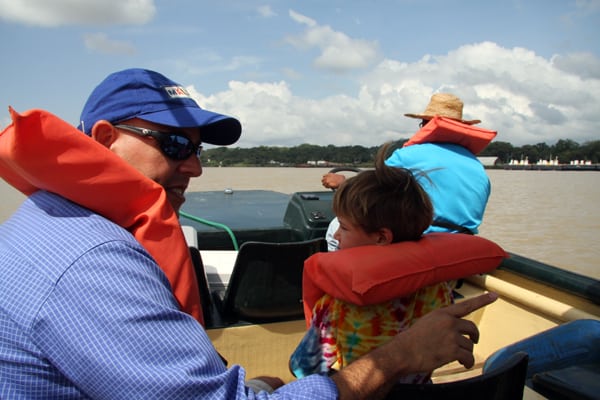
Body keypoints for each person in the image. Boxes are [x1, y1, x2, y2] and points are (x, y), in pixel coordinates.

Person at [0, 68, 498, 399]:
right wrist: (401, 356)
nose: (194, 167)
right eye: (175, 144)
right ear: (106, 138)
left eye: (198, 149)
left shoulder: (50, 220)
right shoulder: (92, 260)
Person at [290, 143, 453, 382]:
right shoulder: (438, 290)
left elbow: (304, 368)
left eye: (343, 228)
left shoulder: (337, 305)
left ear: (381, 238)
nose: (335, 236)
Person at [323, 93, 494, 251]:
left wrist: (342, 182)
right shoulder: (476, 165)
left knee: (334, 229)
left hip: (423, 237)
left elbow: (370, 190)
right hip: (462, 242)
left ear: (426, 125)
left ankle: (338, 276)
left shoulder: (408, 155)